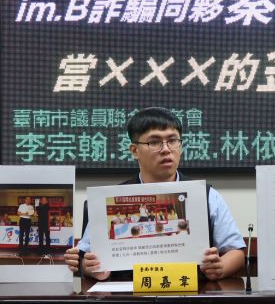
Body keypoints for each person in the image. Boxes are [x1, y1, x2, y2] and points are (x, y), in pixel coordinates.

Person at [65, 107, 245, 281]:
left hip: (190, 293)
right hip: (128, 295)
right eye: (154, 142)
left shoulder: (207, 195)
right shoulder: (109, 199)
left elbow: (236, 251)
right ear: (134, 151)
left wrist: (220, 267)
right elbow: (84, 257)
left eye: (172, 140)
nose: (166, 149)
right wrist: (89, 268)